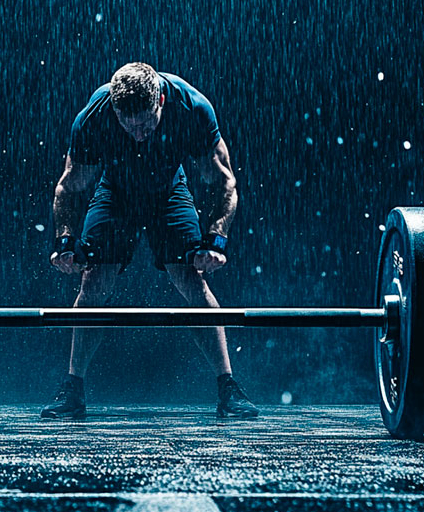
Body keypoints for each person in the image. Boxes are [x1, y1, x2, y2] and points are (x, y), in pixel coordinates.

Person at [42, 62, 260, 420]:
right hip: (116, 194)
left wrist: (216, 240)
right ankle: (72, 391)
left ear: (160, 100)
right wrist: (65, 242)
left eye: (146, 124)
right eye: (128, 126)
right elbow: (68, 186)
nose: (138, 134)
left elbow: (225, 182)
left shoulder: (191, 107)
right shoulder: (94, 116)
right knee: (94, 280)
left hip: (168, 192)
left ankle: (229, 389)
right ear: (114, 110)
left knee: (190, 277)